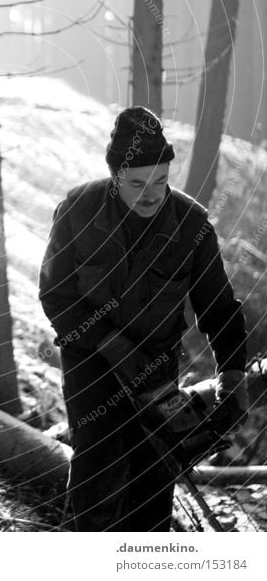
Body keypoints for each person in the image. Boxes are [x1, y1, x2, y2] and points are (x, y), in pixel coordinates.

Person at [38, 106, 248, 532]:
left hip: (155, 363)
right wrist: (109, 343)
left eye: (160, 181)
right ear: (116, 176)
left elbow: (219, 308)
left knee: (154, 475)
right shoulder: (79, 209)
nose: (151, 194)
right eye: (137, 183)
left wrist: (233, 375)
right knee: (97, 466)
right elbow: (56, 293)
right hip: (89, 362)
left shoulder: (192, 225)